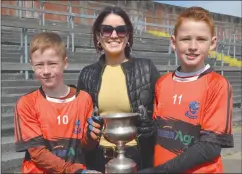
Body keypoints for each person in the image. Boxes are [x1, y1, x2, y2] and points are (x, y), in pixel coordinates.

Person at [138, 6, 234, 173]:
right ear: (173, 42)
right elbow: (159, 133)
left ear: (212, 43)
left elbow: (210, 147)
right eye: (185, 39)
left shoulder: (218, 85)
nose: (193, 46)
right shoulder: (162, 83)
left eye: (201, 39)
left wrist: (160, 171)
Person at [77, 6, 160, 173]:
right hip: (99, 159)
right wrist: (87, 132)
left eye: (121, 30)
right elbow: (80, 121)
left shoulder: (147, 68)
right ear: (98, 36)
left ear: (128, 36)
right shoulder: (87, 74)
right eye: (107, 30)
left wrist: (152, 128)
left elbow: (163, 115)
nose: (114, 35)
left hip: (139, 159)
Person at [14, 32, 103, 174]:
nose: (46, 71)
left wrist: (92, 135)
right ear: (31, 65)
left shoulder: (84, 98)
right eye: (39, 65)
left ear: (65, 63)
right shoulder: (26, 103)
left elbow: (86, 146)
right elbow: (38, 154)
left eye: (52, 64)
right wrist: (74, 171)